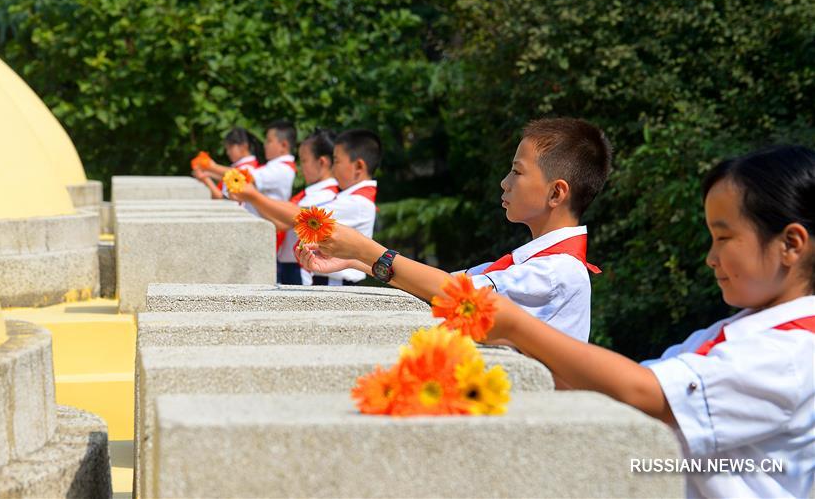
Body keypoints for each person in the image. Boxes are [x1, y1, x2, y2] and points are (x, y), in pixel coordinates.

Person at [321, 145, 815, 498]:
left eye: (724, 238)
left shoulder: (788, 355)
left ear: (791, 244)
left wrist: (370, 254)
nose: (711, 258)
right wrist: (361, 261)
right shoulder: (749, 330)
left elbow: (647, 393)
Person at [298, 118, 612, 340]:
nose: (505, 182)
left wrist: (366, 249)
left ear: (556, 193)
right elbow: (443, 284)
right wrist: (356, 261)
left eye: (517, 172)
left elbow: (457, 296)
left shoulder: (557, 272)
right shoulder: (532, 265)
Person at [234, 128, 382, 285]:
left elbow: (304, 217)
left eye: (337, 161)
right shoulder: (351, 199)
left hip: (335, 283)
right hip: (327, 279)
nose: (333, 167)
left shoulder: (358, 203)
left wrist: (254, 196)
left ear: (359, 166)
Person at [231, 129, 339, 284]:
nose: (301, 167)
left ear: (322, 162)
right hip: (291, 264)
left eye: (304, 160)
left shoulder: (324, 197)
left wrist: (253, 197)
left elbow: (283, 222)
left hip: (300, 268)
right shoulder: (312, 194)